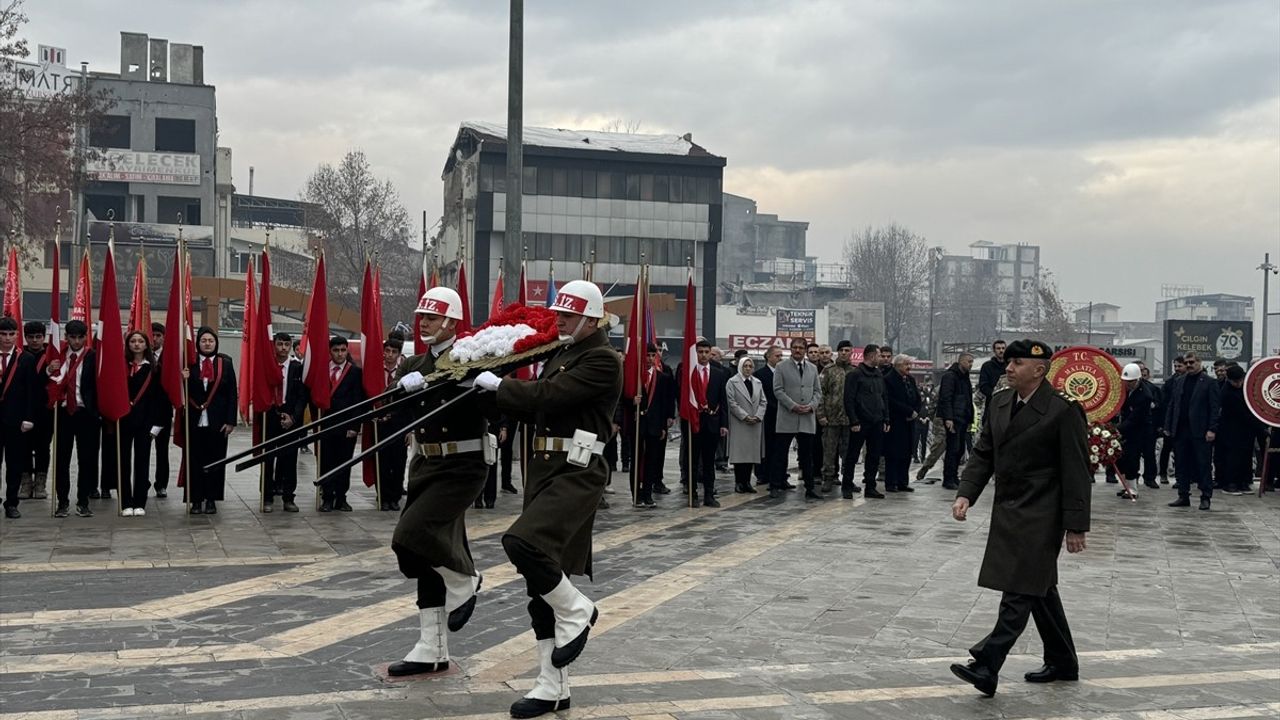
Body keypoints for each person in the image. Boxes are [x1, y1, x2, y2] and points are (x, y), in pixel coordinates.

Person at [474, 279, 621, 718]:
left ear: (592, 320)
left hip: (577, 471)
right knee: (540, 587)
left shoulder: (602, 359)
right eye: (558, 315)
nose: (560, 322)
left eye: (569, 317)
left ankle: (578, 610)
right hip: (544, 470)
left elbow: (552, 396)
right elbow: (531, 407)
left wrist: (500, 388)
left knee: (523, 543)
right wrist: (477, 391)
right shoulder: (560, 351)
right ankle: (551, 686)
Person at [949, 339, 1091, 698]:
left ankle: (987, 663)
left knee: (1019, 589)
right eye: (1008, 362)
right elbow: (983, 454)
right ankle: (1063, 661)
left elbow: (1076, 471)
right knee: (1040, 589)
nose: (1008, 368)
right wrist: (966, 493)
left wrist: (1076, 526)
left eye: (1017, 363)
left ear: (1039, 370)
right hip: (1009, 509)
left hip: (1043, 512)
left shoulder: (1062, 410)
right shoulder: (999, 403)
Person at [385, 286, 487, 678]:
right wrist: (402, 388)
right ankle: (431, 647)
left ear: (451, 321)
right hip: (425, 465)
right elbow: (398, 413)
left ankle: (465, 580)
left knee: (410, 535)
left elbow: (494, 410)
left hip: (462, 466)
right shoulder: (415, 362)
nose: (423, 322)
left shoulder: (474, 358)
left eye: (431, 316)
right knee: (421, 558)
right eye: (422, 316)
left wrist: (472, 384)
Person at [182, 327, 237, 515]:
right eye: (203, 340)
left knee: (215, 462)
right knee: (195, 462)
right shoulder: (189, 364)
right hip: (194, 421)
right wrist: (184, 380)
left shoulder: (225, 364)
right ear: (197, 343)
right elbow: (181, 393)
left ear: (216, 343)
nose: (207, 344)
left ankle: (212, 499)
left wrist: (230, 421)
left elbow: (232, 394)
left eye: (210, 340)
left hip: (218, 422)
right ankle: (195, 500)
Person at [46, 320, 98, 518]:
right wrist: (49, 370)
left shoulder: (93, 357)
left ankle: (83, 501)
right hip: (63, 413)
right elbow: (45, 381)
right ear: (66, 337)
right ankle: (62, 501)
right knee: (61, 459)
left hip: (86, 413)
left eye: (80, 337)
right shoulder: (58, 355)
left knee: (86, 460)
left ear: (85, 337)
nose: (76, 341)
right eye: (72, 337)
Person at [1162, 352, 1220, 511]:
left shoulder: (1209, 382)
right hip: (1180, 430)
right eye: (1186, 362)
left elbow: (1215, 409)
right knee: (1181, 464)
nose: (1188, 365)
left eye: (1192, 362)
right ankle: (1183, 495)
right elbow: (1172, 405)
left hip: (1201, 431)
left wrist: (1212, 429)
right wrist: (1168, 426)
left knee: (1203, 465)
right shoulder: (1179, 381)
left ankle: (1205, 497)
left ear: (1199, 363)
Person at [772, 337, 823, 500]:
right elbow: (778, 390)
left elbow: (818, 391)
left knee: (807, 455)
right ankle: (775, 484)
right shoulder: (781, 367)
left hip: (807, 417)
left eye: (801, 347)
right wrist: (793, 405)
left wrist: (811, 406)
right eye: (795, 347)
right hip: (788, 416)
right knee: (780, 454)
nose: (798, 350)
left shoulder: (812, 369)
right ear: (791, 349)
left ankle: (810, 488)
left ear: (805, 350)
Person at [318, 335, 365, 512]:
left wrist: (355, 426)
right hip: (327, 425)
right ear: (330, 351)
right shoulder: (323, 371)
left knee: (344, 463)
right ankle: (327, 497)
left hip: (347, 427)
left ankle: (341, 497)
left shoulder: (354, 372)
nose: (339, 354)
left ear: (347, 351)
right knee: (327, 461)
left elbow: (358, 401)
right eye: (336, 350)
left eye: (343, 350)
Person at [262, 332, 308, 513]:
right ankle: (267, 496)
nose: (283, 348)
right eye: (279, 344)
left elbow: (302, 396)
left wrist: (293, 418)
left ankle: (289, 497)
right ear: (274, 346)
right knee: (267, 459)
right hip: (270, 417)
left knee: (290, 459)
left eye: (286, 345)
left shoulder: (297, 368)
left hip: (291, 419)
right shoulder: (268, 366)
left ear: (291, 347)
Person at [681, 339, 729, 507]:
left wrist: (724, 424)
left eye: (706, 352)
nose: (703, 355)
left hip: (712, 423)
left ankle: (709, 494)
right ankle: (692, 493)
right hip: (694, 422)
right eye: (700, 352)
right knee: (693, 460)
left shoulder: (718, 373)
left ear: (710, 353)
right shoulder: (689, 372)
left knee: (709, 461)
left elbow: (723, 400)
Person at [0, 316, 41, 519]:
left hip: (15, 420)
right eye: (3, 334)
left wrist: (29, 417)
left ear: (17, 335)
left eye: (11, 334)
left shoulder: (25, 359)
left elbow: (31, 392)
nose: (7, 338)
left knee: (15, 464)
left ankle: (11, 503)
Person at [631, 343, 676, 507]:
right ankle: (636, 494)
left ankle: (648, 493)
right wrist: (632, 402)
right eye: (647, 356)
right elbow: (622, 399)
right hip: (638, 423)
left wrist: (664, 425)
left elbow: (665, 402)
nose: (649, 359)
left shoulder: (662, 377)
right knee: (636, 459)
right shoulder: (634, 377)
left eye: (652, 356)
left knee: (652, 460)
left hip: (655, 425)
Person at [844, 344, 888, 499]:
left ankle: (870, 486)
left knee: (874, 455)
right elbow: (848, 400)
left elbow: (884, 397)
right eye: (879, 355)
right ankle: (847, 485)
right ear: (871, 356)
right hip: (860, 421)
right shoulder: (855, 374)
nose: (881, 358)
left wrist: (886, 418)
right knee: (852, 454)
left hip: (877, 420)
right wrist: (853, 420)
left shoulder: (878, 374)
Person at [1216, 365, 1263, 495]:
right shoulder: (1227, 393)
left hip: (1246, 430)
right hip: (1231, 429)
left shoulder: (1246, 387)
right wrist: (1260, 427)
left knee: (1246, 456)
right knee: (1233, 457)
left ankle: (1243, 482)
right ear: (1229, 379)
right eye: (1235, 381)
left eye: (1240, 380)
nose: (1238, 384)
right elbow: (1243, 414)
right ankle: (1230, 483)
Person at [20, 321, 53, 501]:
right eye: (31, 337)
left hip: (45, 410)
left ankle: (40, 482)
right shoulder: (21, 355)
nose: (34, 341)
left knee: (42, 447)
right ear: (25, 338)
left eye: (38, 337)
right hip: (23, 409)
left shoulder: (50, 355)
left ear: (44, 336)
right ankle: (26, 482)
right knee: (23, 446)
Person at [375, 330, 408, 511]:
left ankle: (395, 496)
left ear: (399, 354)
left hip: (399, 424)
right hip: (379, 424)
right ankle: (383, 495)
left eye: (393, 352)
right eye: (387, 351)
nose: (389, 355)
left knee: (398, 461)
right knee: (382, 461)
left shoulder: (404, 373)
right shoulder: (375, 372)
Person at [817, 340, 855, 495]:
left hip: (849, 419)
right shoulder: (828, 370)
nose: (844, 353)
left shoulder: (854, 371)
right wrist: (821, 415)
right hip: (831, 419)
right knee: (829, 451)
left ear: (851, 352)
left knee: (849, 452)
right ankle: (828, 478)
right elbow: (820, 393)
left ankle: (848, 480)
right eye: (841, 350)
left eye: (847, 350)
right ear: (837, 352)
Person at [726, 355, 767, 494]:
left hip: (755, 423)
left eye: (750, 366)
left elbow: (763, 401)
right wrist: (744, 416)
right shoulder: (732, 382)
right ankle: (739, 482)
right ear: (740, 366)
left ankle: (748, 482)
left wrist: (758, 416)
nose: (748, 369)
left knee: (751, 455)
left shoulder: (757, 382)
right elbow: (731, 402)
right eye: (745, 366)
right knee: (740, 455)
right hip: (740, 423)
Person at [884, 354, 922, 492]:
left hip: (910, 421)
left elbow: (918, 398)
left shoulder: (910, 379)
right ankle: (891, 482)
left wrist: (915, 412)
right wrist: (908, 412)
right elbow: (891, 400)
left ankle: (902, 482)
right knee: (894, 453)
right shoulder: (889, 379)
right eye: (906, 364)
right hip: (896, 421)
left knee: (906, 452)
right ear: (898, 365)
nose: (909, 367)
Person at [938, 352, 975, 491]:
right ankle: (948, 478)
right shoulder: (950, 376)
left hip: (963, 417)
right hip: (953, 418)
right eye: (969, 361)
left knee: (959, 449)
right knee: (953, 449)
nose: (971, 364)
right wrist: (948, 417)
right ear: (961, 361)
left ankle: (954, 476)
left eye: (972, 362)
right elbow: (945, 398)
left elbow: (968, 399)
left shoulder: (965, 377)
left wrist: (969, 417)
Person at [1114, 363, 1151, 499]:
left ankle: (1133, 488)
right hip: (1125, 429)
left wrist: (1115, 429)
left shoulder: (1145, 396)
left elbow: (1134, 419)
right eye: (1126, 381)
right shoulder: (1125, 390)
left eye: (1131, 382)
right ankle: (1125, 486)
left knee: (1132, 459)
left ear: (1138, 380)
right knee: (1121, 459)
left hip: (1138, 431)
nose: (1128, 384)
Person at [753, 346, 784, 487]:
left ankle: (779, 475)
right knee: (765, 446)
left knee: (780, 447)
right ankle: (762, 474)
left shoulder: (783, 372)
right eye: (777, 356)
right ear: (769, 357)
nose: (780, 359)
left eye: (781, 356)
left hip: (783, 415)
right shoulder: (760, 374)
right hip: (767, 415)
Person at [149, 322, 173, 498]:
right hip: (145, 412)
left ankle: (161, 484)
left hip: (163, 410)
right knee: (142, 449)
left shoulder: (169, 357)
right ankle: (143, 482)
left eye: (158, 335)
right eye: (152, 335)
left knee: (162, 450)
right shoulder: (141, 356)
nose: (155, 339)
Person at [1157, 356, 1186, 483]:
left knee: (1181, 451)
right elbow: (1163, 405)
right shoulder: (1169, 383)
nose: (1177, 369)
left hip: (1183, 422)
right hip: (1169, 422)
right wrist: (1163, 424)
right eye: (1175, 366)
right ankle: (1163, 474)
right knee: (1166, 449)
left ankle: (1180, 477)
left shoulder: (1188, 381)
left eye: (1180, 366)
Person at [1138, 362, 1161, 489]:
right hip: (1134, 426)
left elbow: (1159, 405)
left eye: (1144, 373)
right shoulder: (1127, 387)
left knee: (1149, 453)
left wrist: (1154, 405)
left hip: (1149, 426)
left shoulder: (1152, 388)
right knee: (1132, 454)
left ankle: (1150, 478)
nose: (1141, 375)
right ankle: (1132, 478)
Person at [976, 340, 1008, 411]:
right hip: (992, 402)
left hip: (1009, 402)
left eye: (1003, 348)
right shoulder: (987, 366)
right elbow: (983, 385)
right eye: (998, 348)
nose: (1001, 350)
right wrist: (995, 394)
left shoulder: (1011, 366)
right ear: (994, 350)